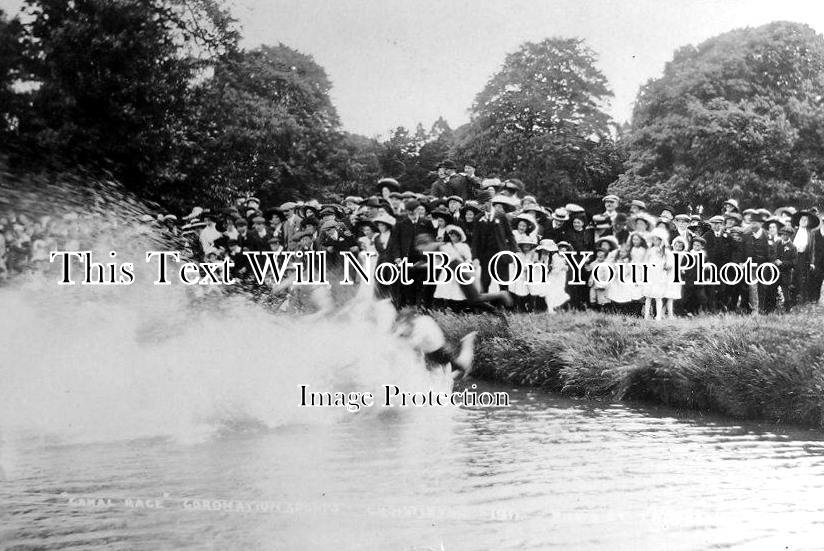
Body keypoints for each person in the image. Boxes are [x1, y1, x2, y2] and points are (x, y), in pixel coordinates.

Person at [393, 310, 477, 380]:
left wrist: (398, 342)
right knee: (440, 373)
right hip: (434, 350)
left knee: (461, 368)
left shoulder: (421, 325)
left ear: (410, 319)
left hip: (440, 351)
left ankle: (467, 341)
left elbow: (414, 342)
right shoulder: (421, 320)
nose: (404, 324)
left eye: (404, 321)